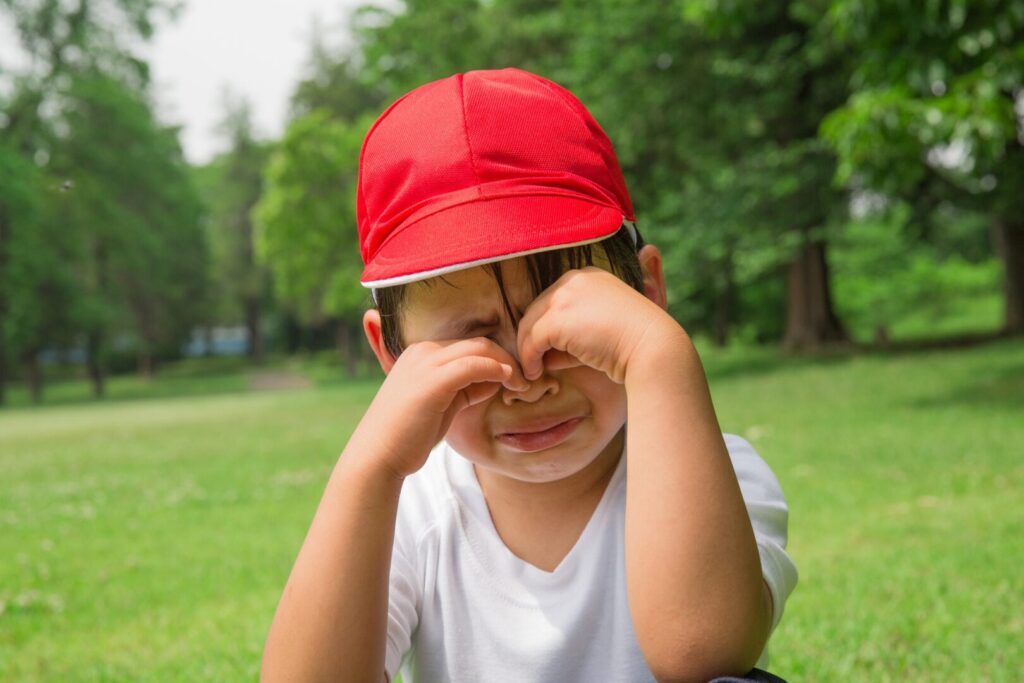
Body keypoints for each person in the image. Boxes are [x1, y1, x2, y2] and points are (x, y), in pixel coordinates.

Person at [260, 67, 797, 683]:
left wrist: (656, 355)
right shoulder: (416, 511)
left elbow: (702, 655)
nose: (527, 378)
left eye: (569, 327)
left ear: (647, 293)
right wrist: (370, 468)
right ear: (392, 355)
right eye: (474, 337)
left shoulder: (714, 473)